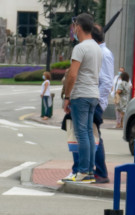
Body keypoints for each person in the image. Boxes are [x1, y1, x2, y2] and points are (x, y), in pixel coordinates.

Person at [61, 13, 101, 183]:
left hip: (81, 94)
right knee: (89, 134)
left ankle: (83, 171)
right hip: (93, 94)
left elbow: (72, 75)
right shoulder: (97, 47)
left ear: (78, 27)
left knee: (81, 134)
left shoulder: (80, 47)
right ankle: (90, 171)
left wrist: (67, 96)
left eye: (74, 26)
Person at [92, 23, 114, 183]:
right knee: (92, 136)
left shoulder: (103, 54)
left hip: (95, 102)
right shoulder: (97, 52)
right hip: (93, 100)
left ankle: (101, 172)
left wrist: (96, 101)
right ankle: (97, 170)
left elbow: (106, 82)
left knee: (95, 136)